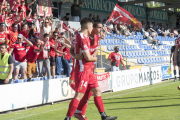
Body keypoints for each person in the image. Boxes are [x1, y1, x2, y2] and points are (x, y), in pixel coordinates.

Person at [64, 18, 117, 120]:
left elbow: (95, 49)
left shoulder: (96, 37)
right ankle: (68, 117)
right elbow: (73, 50)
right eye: (99, 27)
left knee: (96, 91)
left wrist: (93, 57)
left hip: (90, 70)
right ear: (91, 27)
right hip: (82, 69)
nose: (101, 30)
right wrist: (75, 56)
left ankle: (103, 116)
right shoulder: (82, 37)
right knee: (79, 94)